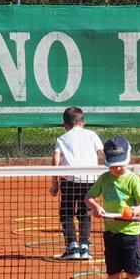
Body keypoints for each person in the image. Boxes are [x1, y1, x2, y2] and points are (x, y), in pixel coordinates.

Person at [86, 136, 140, 279]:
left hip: (131, 234)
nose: (117, 168)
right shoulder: (104, 179)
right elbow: (89, 196)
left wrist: (136, 210)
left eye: (120, 164)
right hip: (111, 233)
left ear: (128, 159)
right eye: (113, 165)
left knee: (134, 272)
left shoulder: (134, 181)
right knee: (113, 272)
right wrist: (95, 207)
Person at [50, 107, 104, 260]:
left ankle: (72, 247)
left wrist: (55, 184)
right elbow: (103, 154)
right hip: (90, 180)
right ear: (83, 122)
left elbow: (56, 160)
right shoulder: (92, 135)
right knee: (85, 213)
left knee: (66, 213)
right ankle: (84, 247)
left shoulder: (62, 138)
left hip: (69, 180)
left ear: (65, 125)